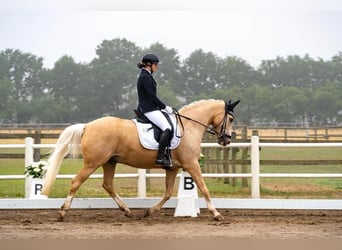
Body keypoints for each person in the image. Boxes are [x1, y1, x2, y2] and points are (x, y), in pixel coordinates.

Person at [136, 53, 173, 168]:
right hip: (148, 109)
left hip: (151, 108)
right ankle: (160, 157)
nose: (157, 67)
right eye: (155, 64)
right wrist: (164, 107)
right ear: (148, 65)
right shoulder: (145, 77)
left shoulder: (146, 75)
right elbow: (152, 96)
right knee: (167, 128)